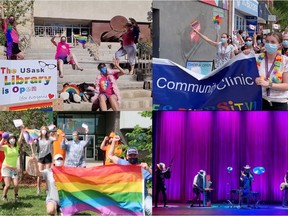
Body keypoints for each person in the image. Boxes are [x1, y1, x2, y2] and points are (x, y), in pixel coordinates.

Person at [108, 136, 152, 216]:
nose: (132, 157)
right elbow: (110, 155)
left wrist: (148, 169)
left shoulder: (142, 168)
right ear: (127, 157)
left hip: (143, 197)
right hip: (127, 197)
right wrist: (114, 141)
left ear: (137, 156)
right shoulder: (123, 164)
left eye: (134, 155)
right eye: (130, 155)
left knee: (151, 208)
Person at [255, 32, 288, 110]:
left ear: (279, 45)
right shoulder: (256, 58)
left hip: (279, 103)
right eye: (267, 41)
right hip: (261, 101)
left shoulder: (285, 61)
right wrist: (245, 54)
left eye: (273, 42)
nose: (269, 44)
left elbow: (286, 85)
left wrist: (269, 84)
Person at [0, 129, 24, 202]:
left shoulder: (16, 147)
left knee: (16, 184)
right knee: (7, 185)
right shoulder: (6, 147)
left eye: (13, 138)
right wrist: (3, 138)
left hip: (13, 168)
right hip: (6, 168)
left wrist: (22, 131)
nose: (12, 139)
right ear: (8, 140)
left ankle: (16, 196)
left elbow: (20, 139)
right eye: (10, 138)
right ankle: (4, 196)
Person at [35, 126, 58, 195]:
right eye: (42, 130)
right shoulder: (38, 139)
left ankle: (47, 189)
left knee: (47, 174)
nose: (44, 131)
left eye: (45, 130)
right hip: (40, 157)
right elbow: (34, 144)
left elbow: (56, 139)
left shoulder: (49, 138)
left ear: (47, 131)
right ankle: (38, 189)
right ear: (41, 131)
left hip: (48, 156)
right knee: (39, 174)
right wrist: (34, 142)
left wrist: (56, 132)